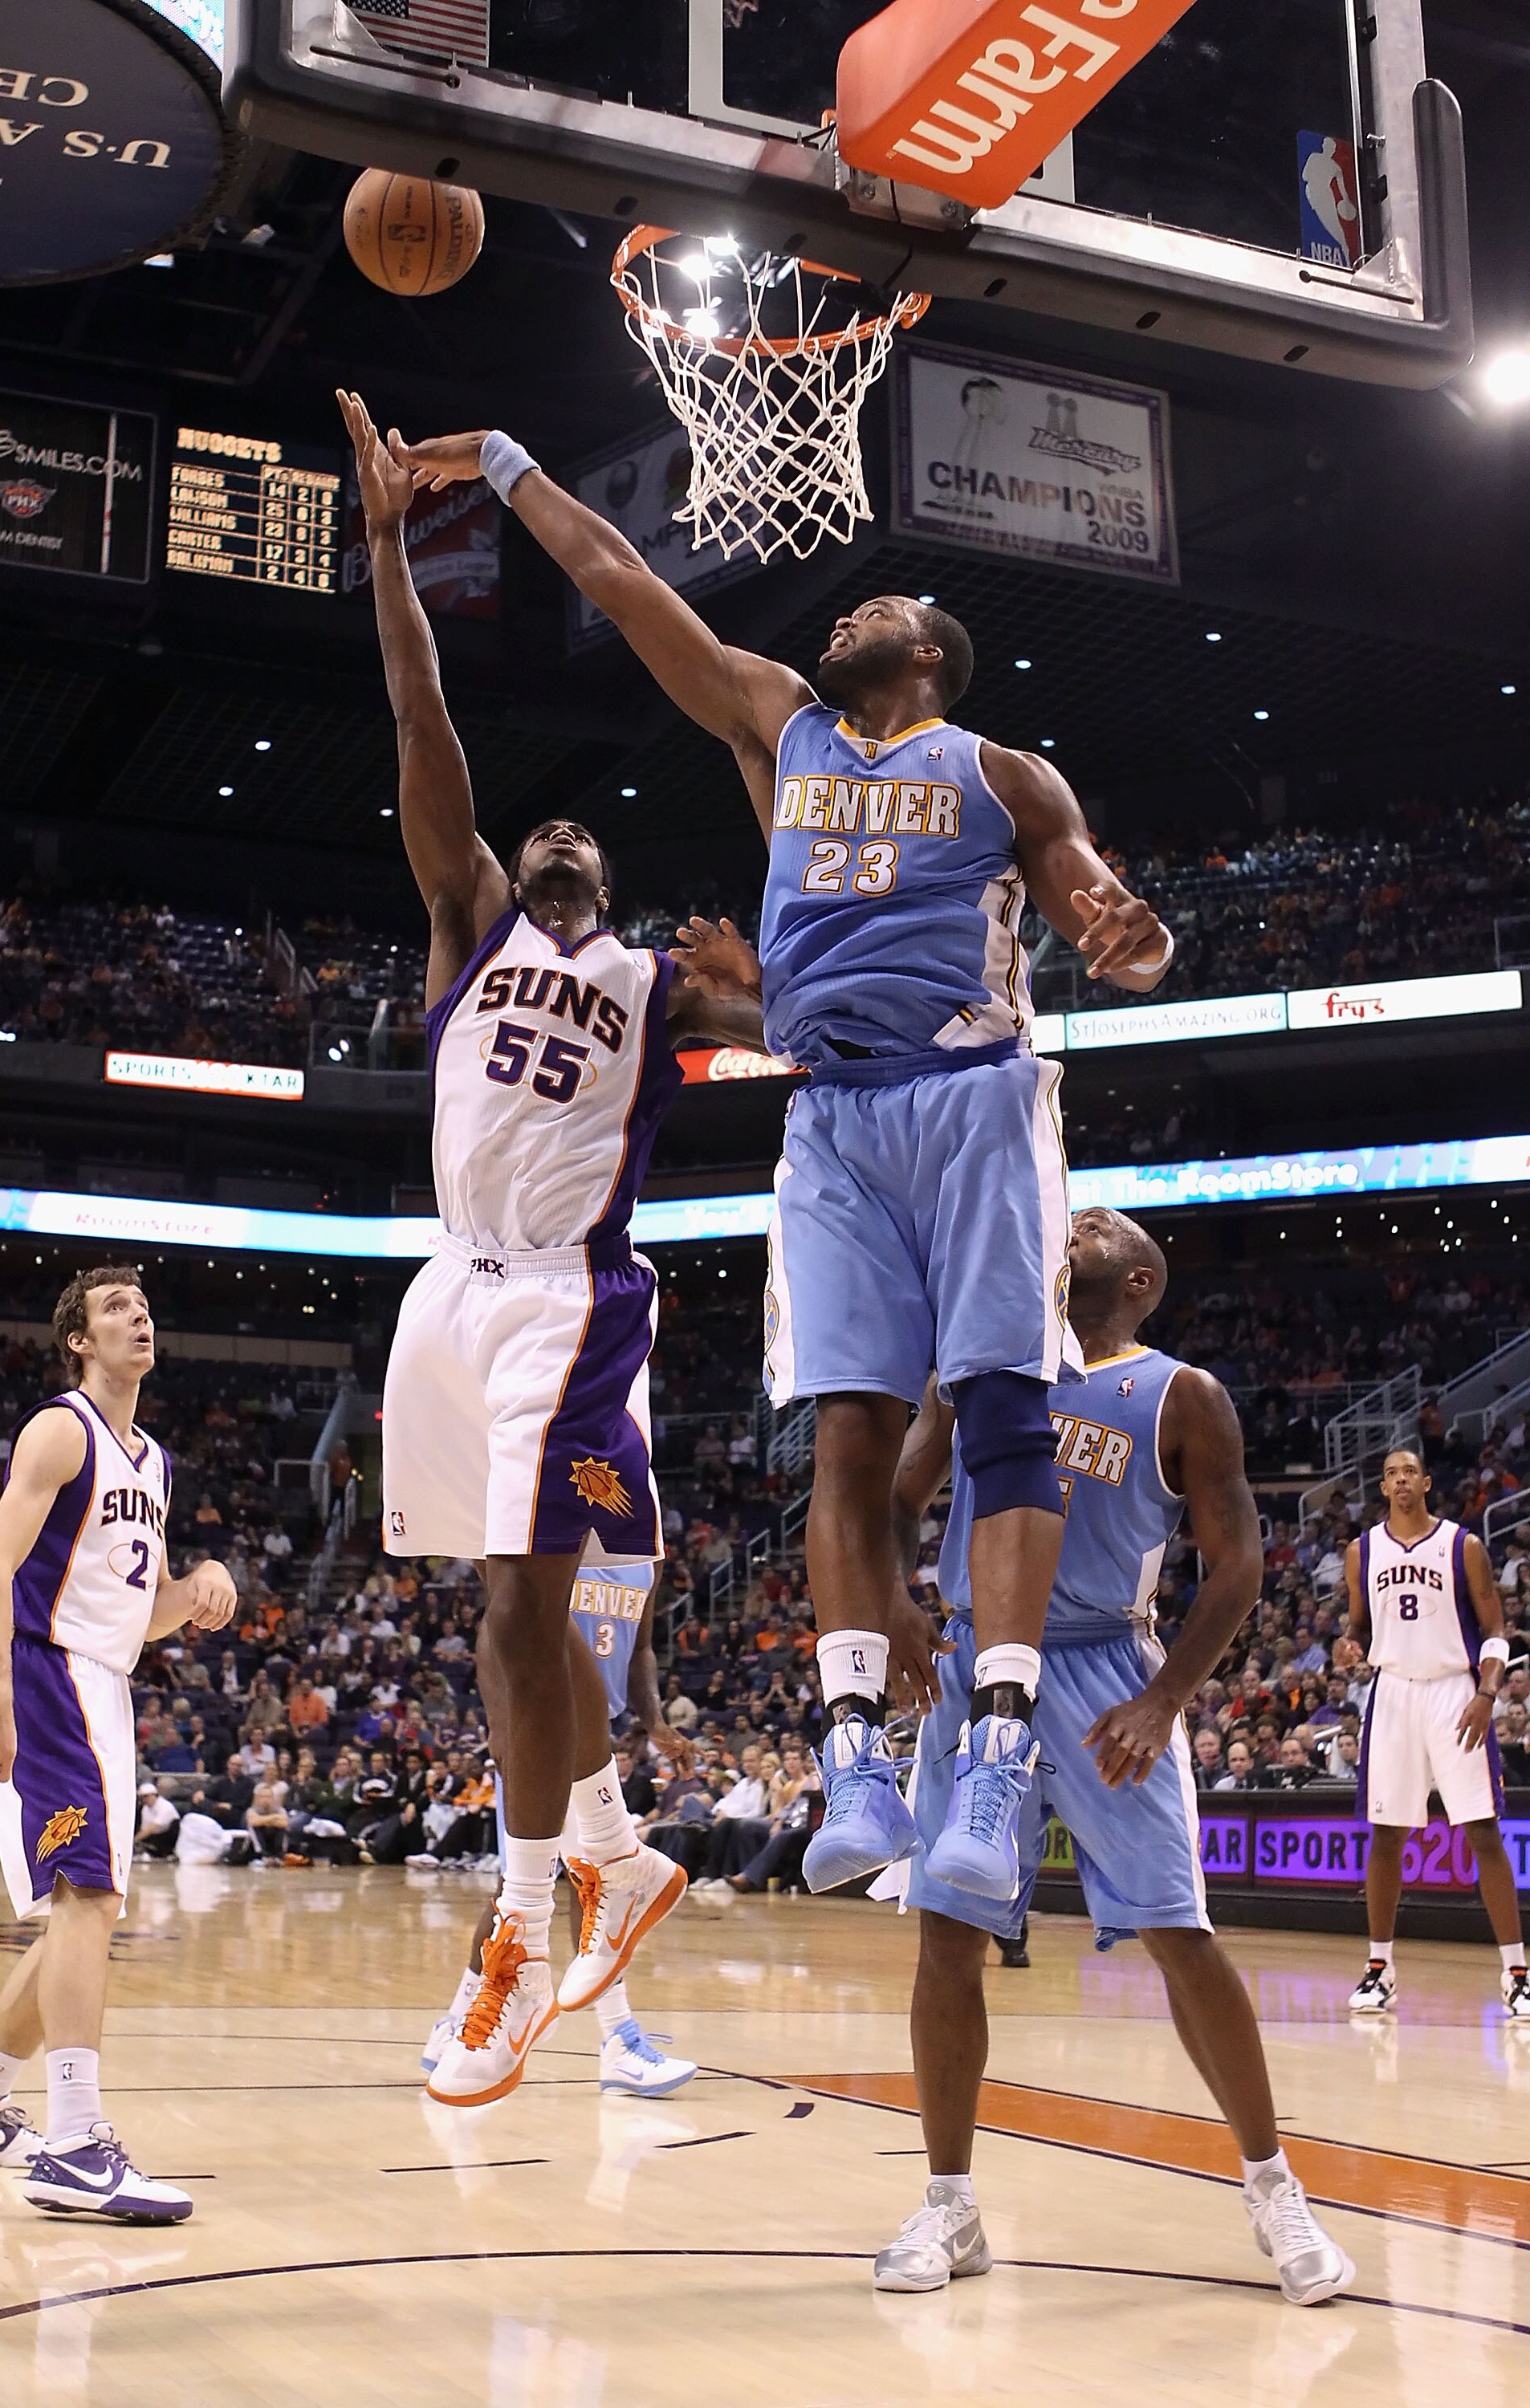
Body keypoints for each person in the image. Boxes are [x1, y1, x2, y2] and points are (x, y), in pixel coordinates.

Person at [393, 421, 1170, 1908]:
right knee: (848, 1437)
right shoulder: (780, 721)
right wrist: (500, 463)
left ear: (935, 657)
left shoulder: (1005, 775)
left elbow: (1101, 910)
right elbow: (623, 583)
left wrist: (1139, 942)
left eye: (883, 611)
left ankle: (997, 1758)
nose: (849, 613)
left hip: (972, 1092)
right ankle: (860, 1751)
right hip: (832, 1116)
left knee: (1003, 1414)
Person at [340, 390, 768, 2105]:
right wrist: (384, 547)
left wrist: (774, 968)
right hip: (451, 1291)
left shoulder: (655, 983)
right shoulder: (466, 928)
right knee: (502, 1624)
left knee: (532, 1599)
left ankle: (525, 1927)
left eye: (588, 836)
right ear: (514, 871)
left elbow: (797, 1001)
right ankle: (612, 1844)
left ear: (615, 886)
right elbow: (419, 714)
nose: (564, 833)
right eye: (545, 834)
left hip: (573, 1297)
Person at [873, 1206, 1351, 2304]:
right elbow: (897, 1499)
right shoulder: (984, 1360)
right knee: (946, 1940)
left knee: (1180, 1935)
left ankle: (1276, 2191)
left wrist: (1166, 1696)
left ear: (1139, 1278)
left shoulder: (1183, 1393)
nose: (1069, 1226)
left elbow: (1238, 1565)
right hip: (974, 1660)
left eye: (1093, 1226)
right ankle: (950, 2207)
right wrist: (896, 1599)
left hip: (1102, 1678)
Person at [0, 1265, 236, 2220]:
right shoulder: (63, 1429)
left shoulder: (157, 1462)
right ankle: (73, 2140)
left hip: (103, 1681)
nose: (138, 1318)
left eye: (144, 1306)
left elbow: (137, 1615)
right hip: (47, 1675)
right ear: (78, 1339)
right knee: (88, 1899)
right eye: (115, 1309)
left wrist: (198, 1591)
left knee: (79, 1912)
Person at [422, 1564, 697, 2100]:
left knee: (542, 1887)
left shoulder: (644, 1550)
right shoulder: (553, 1534)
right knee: (577, 1882)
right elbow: (502, 1628)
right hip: (544, 1742)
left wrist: (655, 1720)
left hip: (594, 1739)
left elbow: (639, 1647)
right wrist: (507, 1740)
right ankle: (618, 2041)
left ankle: (455, 2023)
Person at [1344, 1445, 1529, 2020]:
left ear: (1426, 1484)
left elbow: (1497, 1631)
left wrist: (1486, 1693)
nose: (1401, 1481)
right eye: (1391, 1474)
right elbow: (1356, 1629)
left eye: (1410, 1473)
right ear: (1382, 1488)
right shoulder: (1361, 1551)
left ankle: (1517, 1972)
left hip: (1455, 1692)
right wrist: (1347, 1649)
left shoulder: (1462, 1545)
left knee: (1482, 1830)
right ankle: (1380, 1969)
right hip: (1393, 1692)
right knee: (1387, 1834)